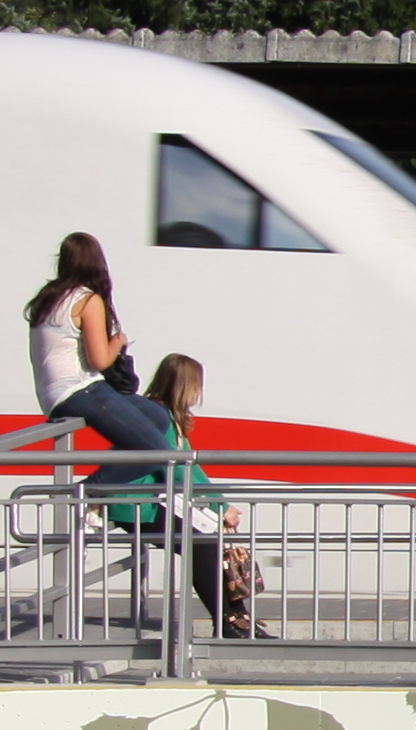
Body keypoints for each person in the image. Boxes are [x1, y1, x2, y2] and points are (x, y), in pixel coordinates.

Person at [123, 351, 263, 637]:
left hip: (152, 501)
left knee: (207, 541)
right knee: (201, 543)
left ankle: (236, 617)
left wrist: (219, 506)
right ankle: (228, 620)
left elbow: (191, 469)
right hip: (137, 503)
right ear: (186, 385)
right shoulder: (159, 418)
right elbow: (179, 469)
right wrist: (220, 507)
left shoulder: (166, 417)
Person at [25, 233, 171, 466]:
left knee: (158, 417)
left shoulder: (48, 298)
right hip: (80, 390)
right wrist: (118, 341)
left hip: (52, 395)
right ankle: (91, 492)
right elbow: (100, 361)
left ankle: (107, 481)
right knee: (159, 453)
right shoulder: (87, 300)